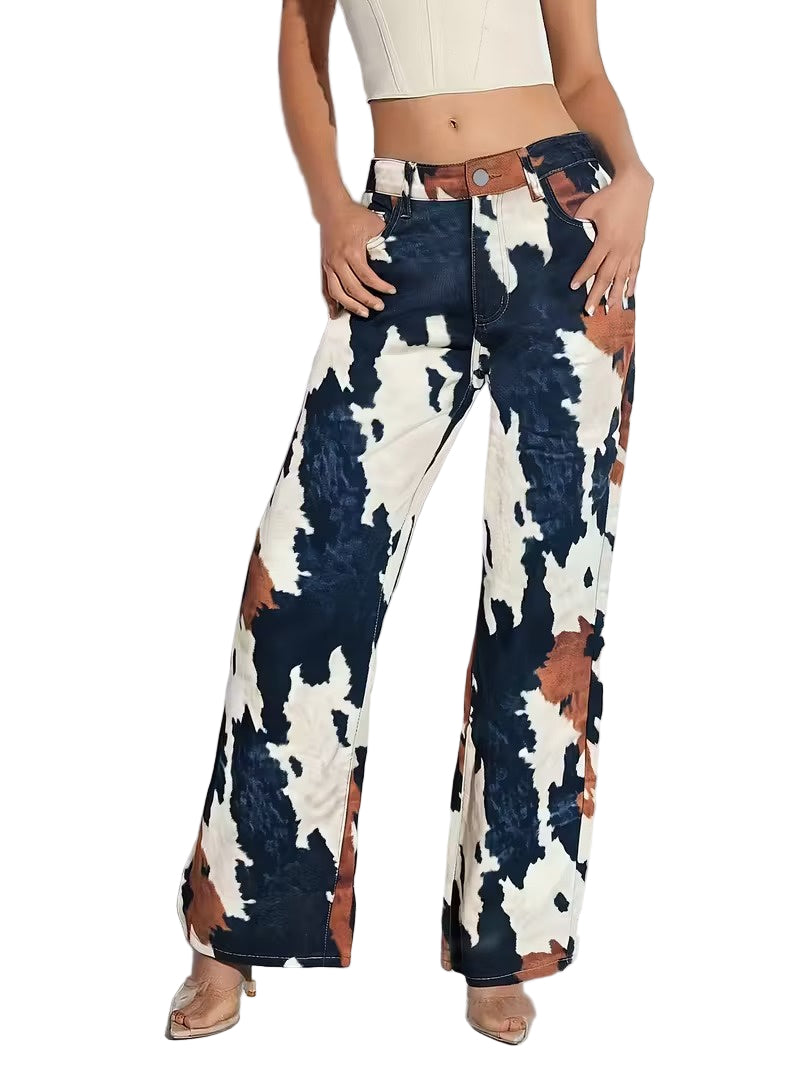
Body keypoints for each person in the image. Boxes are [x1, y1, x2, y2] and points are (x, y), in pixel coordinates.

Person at [168, 0, 652, 1045]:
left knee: (545, 609)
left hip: (562, 232)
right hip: (398, 239)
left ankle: (503, 943)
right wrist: (331, 210)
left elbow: (580, 70)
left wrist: (634, 180)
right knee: (301, 589)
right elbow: (301, 50)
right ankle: (236, 928)